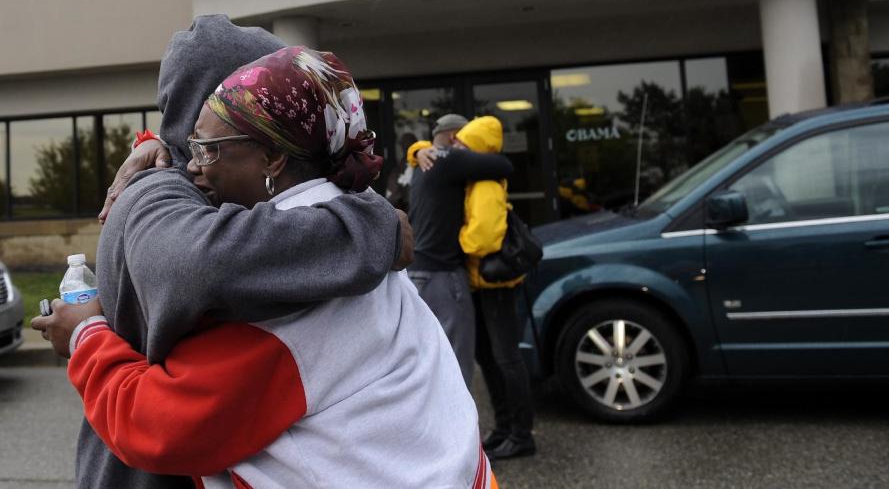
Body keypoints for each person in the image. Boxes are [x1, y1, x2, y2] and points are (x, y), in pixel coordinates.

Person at [37, 47, 495, 489]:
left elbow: (155, 425)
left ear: (273, 158)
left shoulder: (289, 290)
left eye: (209, 149)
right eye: (190, 146)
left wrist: (85, 336)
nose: (194, 166)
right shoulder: (347, 215)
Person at [406, 113, 513, 384]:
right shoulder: (450, 159)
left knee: (429, 360)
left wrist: (416, 151)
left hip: (418, 273)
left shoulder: (423, 164)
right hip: (444, 276)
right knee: (456, 363)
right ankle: (458, 424)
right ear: (456, 137)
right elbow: (504, 165)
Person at [455, 116, 537, 460]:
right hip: (482, 283)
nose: (457, 150)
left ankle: (521, 435)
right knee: (489, 359)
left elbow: (483, 240)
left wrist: (454, 241)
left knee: (506, 359)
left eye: (463, 144)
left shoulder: (486, 183)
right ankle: (504, 429)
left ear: (477, 147)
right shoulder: (476, 179)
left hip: (496, 284)